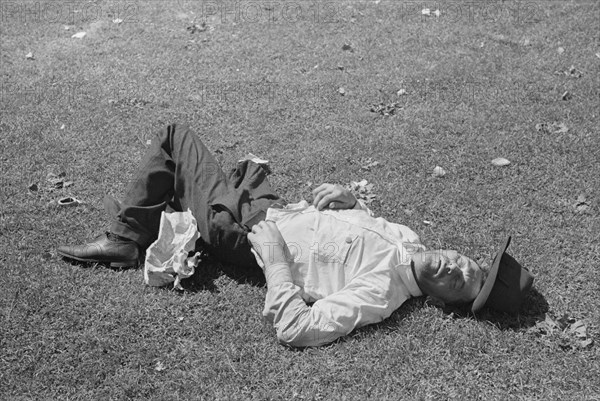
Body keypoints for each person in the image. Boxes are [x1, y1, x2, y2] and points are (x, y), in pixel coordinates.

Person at [58, 124, 534, 347]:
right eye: (464, 262)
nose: (451, 266)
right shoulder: (408, 239)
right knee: (205, 178)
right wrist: (352, 200)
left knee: (175, 139)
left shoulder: (380, 292)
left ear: (437, 301)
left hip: (247, 234)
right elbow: (361, 225)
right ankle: (148, 218)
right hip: (273, 208)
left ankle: (126, 234)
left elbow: (298, 329)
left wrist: (275, 261)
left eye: (456, 281)